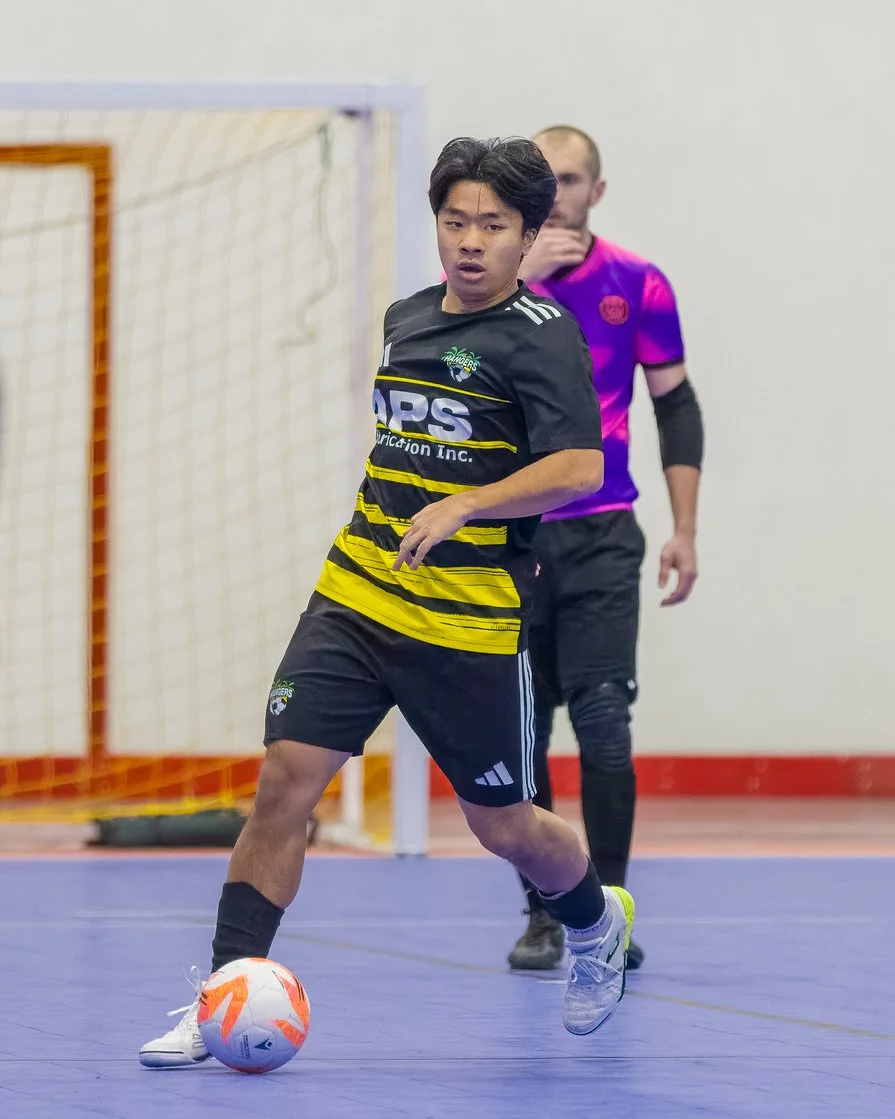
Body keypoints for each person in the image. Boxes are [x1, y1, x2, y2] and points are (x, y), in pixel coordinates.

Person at [138, 136, 637, 1067]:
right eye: (455, 221)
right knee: (285, 780)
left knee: (506, 827)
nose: (471, 241)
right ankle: (219, 994)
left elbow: (579, 467)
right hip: (359, 592)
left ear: (529, 233)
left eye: (493, 224)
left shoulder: (541, 337)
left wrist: (471, 504)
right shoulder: (406, 316)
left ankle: (591, 919)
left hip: (467, 621)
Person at [506, 126, 704, 973]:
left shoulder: (637, 282)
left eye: (571, 179)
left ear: (597, 189)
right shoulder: (486, 286)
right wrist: (527, 282)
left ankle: (608, 911)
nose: (557, 195)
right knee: (519, 734)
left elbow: (676, 404)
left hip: (601, 532)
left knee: (602, 723)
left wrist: (684, 527)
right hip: (510, 538)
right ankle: (546, 913)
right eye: (541, 182)